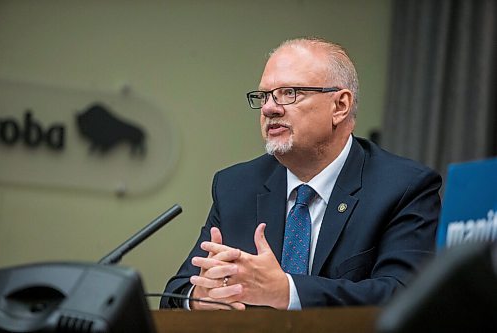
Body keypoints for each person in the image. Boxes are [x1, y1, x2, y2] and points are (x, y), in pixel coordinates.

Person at [160, 37, 442, 310]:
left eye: (289, 93)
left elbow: (404, 296)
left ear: (340, 106)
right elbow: (175, 292)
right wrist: (198, 297)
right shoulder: (236, 186)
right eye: (264, 96)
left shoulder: (403, 187)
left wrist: (288, 292)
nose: (269, 108)